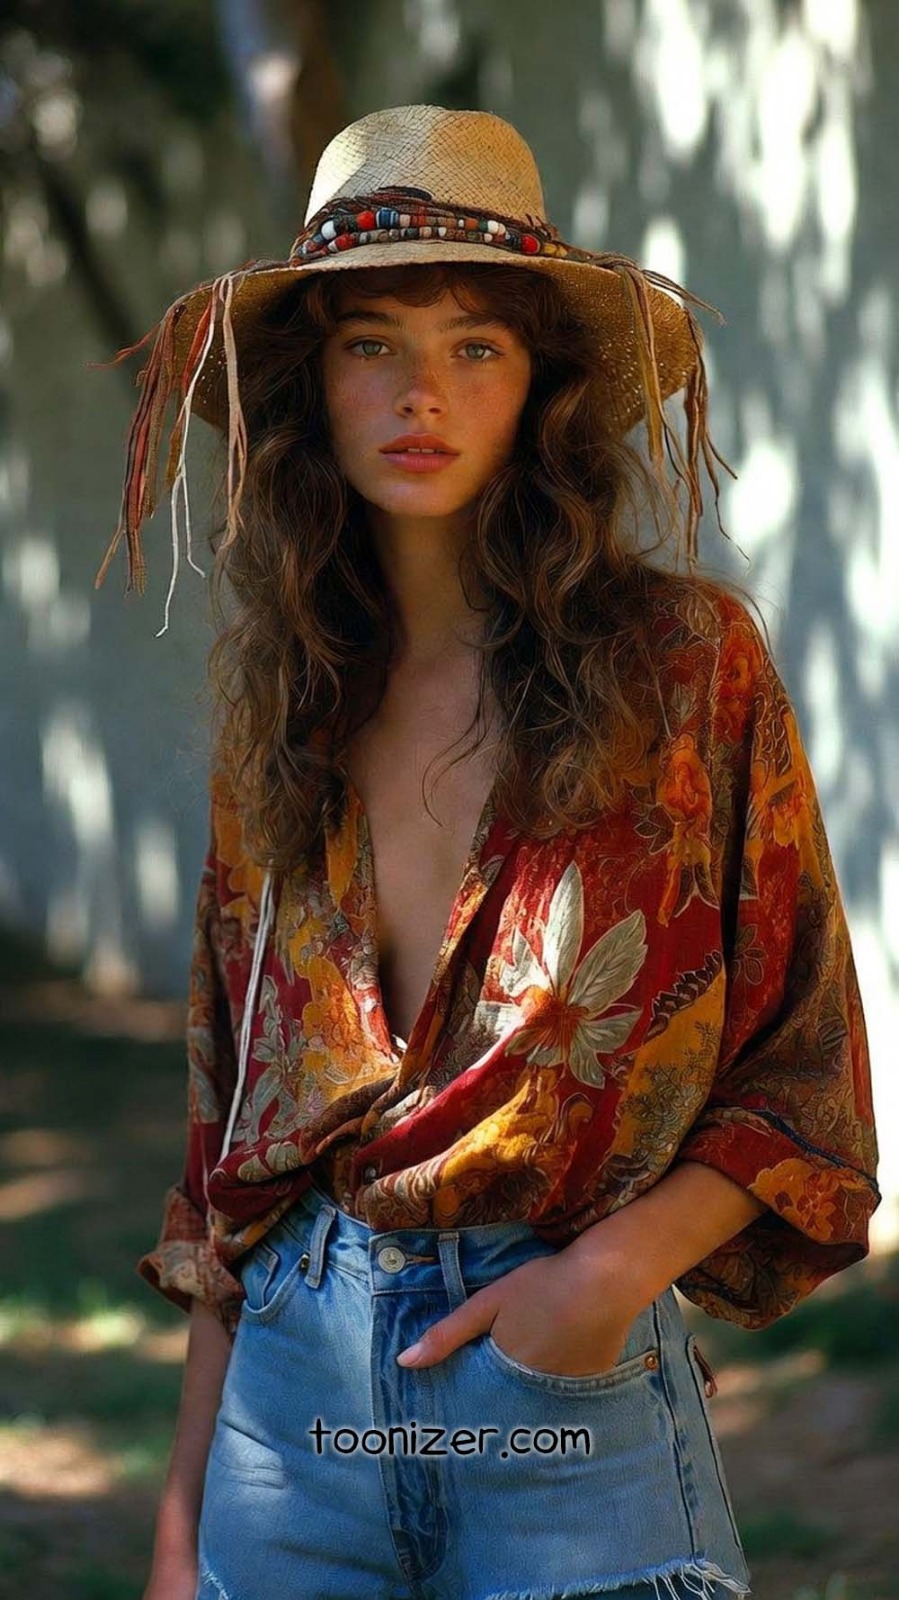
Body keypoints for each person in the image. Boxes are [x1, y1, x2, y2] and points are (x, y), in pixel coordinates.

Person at [96, 106, 880, 1600]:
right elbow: (232, 1159)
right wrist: (183, 1524)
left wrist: (596, 1283)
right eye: (370, 343)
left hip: (565, 1412)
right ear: (310, 388)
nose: (422, 394)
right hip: (289, 1420)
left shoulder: (685, 670)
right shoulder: (283, 709)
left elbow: (808, 1076)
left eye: (478, 346)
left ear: (544, 391)